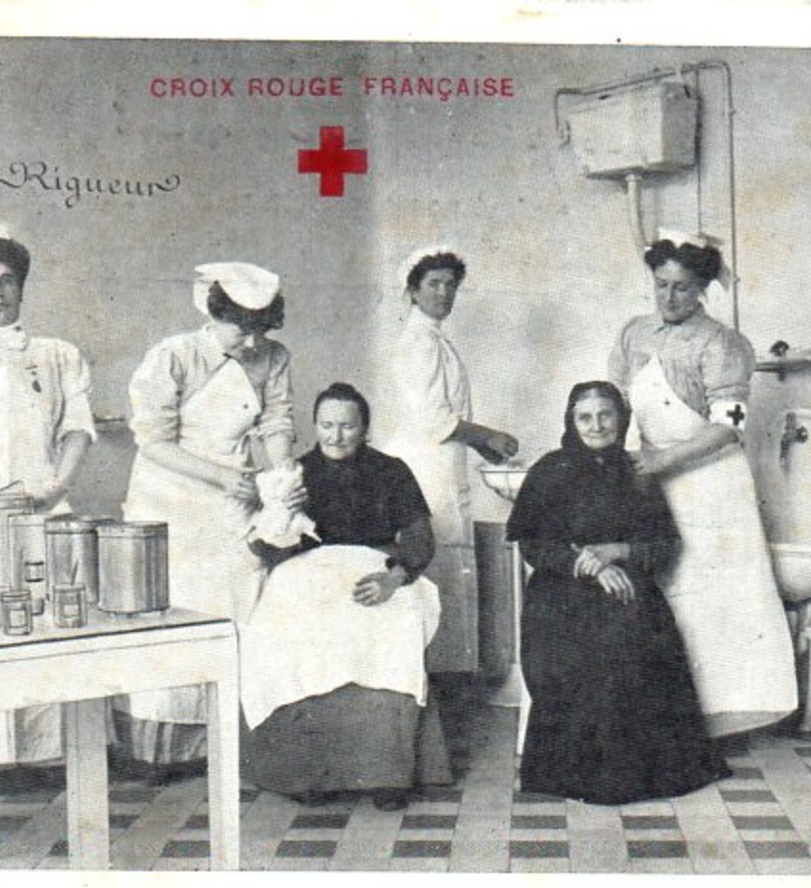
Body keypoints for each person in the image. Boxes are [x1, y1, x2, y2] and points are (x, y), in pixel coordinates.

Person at [608, 232, 798, 739]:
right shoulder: (633, 334)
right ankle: (671, 713)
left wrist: (663, 460)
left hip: (710, 482)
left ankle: (725, 718)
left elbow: (726, 426)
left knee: (715, 600)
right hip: (654, 477)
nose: (669, 299)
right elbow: (618, 402)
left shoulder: (722, 344)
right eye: (662, 285)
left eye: (683, 289)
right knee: (668, 592)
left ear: (703, 289)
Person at [506, 381, 730, 805]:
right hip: (561, 591)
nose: (596, 425)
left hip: (626, 587)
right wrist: (589, 566)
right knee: (586, 647)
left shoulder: (638, 473)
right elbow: (532, 544)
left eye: (606, 415)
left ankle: (636, 773)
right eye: (585, 417)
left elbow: (666, 544)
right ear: (571, 422)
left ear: (621, 419)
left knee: (632, 636)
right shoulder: (550, 469)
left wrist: (617, 552)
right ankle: (577, 773)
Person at [241, 383, 451, 811]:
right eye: (327, 426)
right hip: (307, 577)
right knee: (285, 628)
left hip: (375, 569)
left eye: (347, 427)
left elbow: (418, 538)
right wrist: (282, 510)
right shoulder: (295, 474)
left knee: (390, 624)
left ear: (365, 429)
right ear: (315, 427)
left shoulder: (392, 471)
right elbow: (267, 551)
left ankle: (386, 774)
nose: (336, 437)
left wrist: (394, 578)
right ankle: (308, 774)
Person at [120, 262, 295, 766]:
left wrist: (281, 476)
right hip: (170, 497)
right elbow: (154, 440)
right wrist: (219, 476)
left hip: (231, 501)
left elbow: (277, 421)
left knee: (237, 601)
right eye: (241, 329)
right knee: (176, 611)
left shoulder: (273, 357)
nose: (252, 342)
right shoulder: (174, 356)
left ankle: (227, 745)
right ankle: (162, 752)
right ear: (215, 315)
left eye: (262, 330)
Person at [0, 224, 96, 767]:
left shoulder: (57, 355)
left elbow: (77, 427)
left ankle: (50, 755)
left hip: (46, 508)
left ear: (22, 288)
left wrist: (56, 485)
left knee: (50, 619)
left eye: (7, 281)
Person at [379, 247, 518, 679]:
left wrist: (481, 446)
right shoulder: (418, 343)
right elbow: (432, 418)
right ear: (413, 291)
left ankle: (449, 692)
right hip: (424, 469)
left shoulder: (435, 339)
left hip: (442, 462)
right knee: (434, 570)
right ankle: (436, 692)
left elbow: (446, 414)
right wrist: (485, 436)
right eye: (433, 284)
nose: (443, 292)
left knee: (450, 572)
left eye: (450, 285)